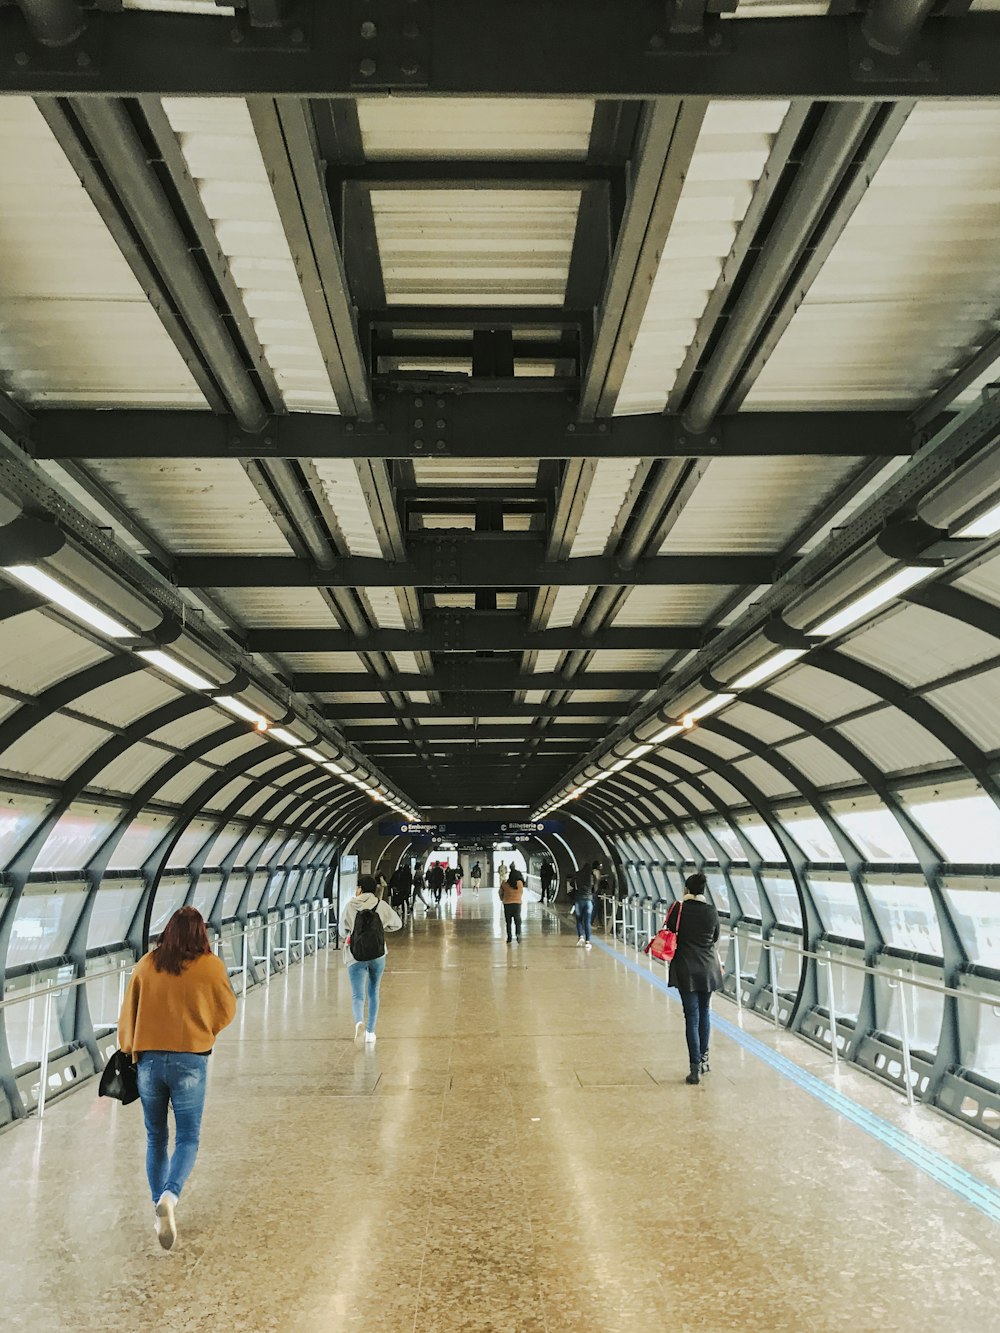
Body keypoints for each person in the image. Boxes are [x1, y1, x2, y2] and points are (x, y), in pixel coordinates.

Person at [116, 905, 237, 1251]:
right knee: (188, 1138)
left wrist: (130, 1047)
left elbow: (129, 1013)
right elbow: (227, 1009)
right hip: (190, 1061)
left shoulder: (147, 965)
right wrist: (205, 1029)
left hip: (149, 1062)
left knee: (156, 1137)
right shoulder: (210, 967)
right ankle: (169, 1196)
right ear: (201, 933)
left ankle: (159, 1209)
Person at [668, 873, 724, 1085]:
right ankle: (704, 1060)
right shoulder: (711, 911)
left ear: (686, 889)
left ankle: (694, 1069)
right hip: (708, 968)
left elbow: (671, 931)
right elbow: (715, 937)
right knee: (704, 1012)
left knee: (691, 1016)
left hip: (686, 968)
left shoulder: (679, 909)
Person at [340, 873, 402, 1049]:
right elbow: (397, 924)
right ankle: (370, 1032)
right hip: (377, 954)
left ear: (359, 888)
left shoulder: (350, 905)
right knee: (374, 991)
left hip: (355, 954)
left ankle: (359, 1022)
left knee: (357, 995)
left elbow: (342, 930)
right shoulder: (380, 905)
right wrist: (381, 930)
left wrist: (352, 934)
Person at [499, 864, 525, 944]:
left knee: (508, 922)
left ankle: (509, 937)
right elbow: (521, 891)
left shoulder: (504, 884)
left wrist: (503, 899)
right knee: (517, 921)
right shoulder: (520, 884)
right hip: (517, 904)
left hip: (507, 904)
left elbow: (500, 893)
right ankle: (518, 934)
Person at [573, 862, 595, 949]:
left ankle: (581, 937)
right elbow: (594, 887)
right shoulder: (591, 876)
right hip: (588, 901)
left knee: (579, 920)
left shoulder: (578, 874)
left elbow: (572, 884)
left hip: (579, 900)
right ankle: (588, 942)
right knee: (587, 921)